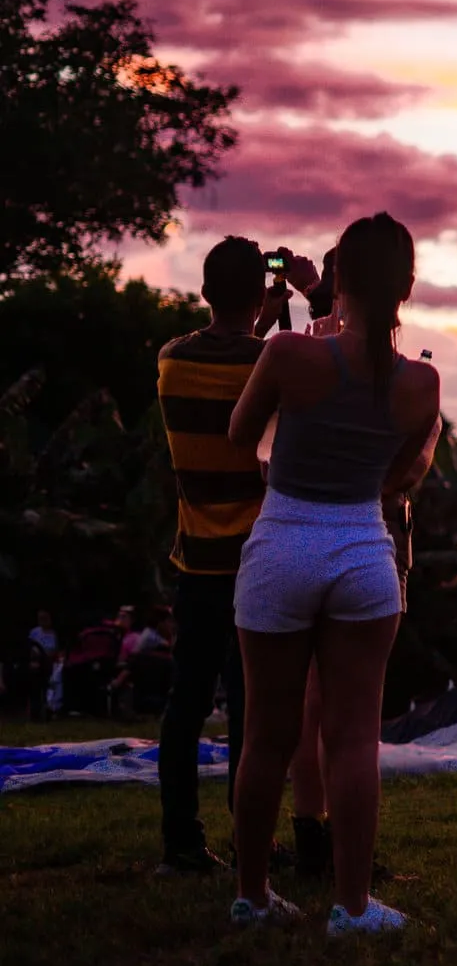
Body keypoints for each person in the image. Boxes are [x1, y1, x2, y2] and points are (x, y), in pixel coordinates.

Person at [227, 212, 440, 935]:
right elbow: (399, 477)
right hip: (360, 550)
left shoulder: (289, 353)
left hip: (282, 542)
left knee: (266, 737)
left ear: (337, 280)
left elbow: (238, 436)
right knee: (352, 740)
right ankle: (351, 906)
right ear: (408, 287)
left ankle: (251, 895)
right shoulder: (423, 384)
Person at [155, 236, 317, 873]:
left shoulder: (171, 361)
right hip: (257, 561)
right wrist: (283, 314)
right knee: (253, 711)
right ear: (258, 294)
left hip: (195, 561)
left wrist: (256, 319)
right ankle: (255, 840)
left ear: (202, 294)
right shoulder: (269, 361)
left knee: (185, 703)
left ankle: (181, 844)